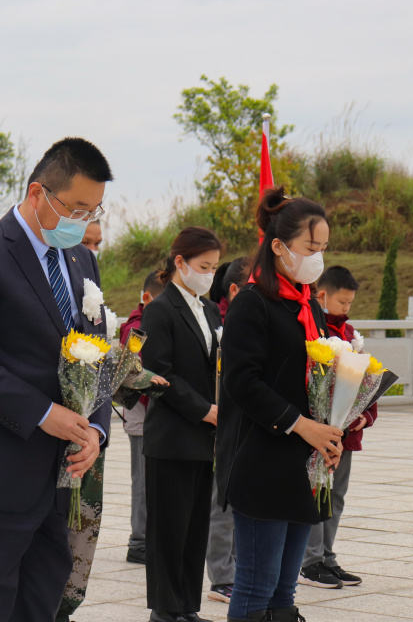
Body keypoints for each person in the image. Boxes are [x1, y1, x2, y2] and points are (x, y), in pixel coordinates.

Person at [0, 137, 114, 622]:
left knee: (41, 599)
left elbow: (96, 353)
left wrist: (95, 429)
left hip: (61, 475)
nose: (85, 221)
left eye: (95, 211)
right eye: (77, 208)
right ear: (38, 193)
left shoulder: (82, 259)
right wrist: (42, 413)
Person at [217, 187, 343, 622]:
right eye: (311, 247)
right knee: (255, 585)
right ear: (278, 246)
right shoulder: (252, 304)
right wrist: (301, 425)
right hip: (262, 460)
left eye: (324, 248)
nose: (318, 257)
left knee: (284, 592)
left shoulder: (309, 305)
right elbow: (241, 382)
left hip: (303, 464)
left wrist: (335, 425)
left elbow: (321, 376)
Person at [141, 227, 224, 622]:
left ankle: (187, 607)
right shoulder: (160, 309)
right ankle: (164, 609)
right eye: (203, 266)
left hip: (205, 435)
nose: (209, 274)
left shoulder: (209, 309)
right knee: (168, 528)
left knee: (194, 528)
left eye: (214, 267)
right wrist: (204, 409)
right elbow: (159, 373)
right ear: (180, 262)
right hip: (173, 434)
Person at [300, 265, 373, 590]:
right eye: (342, 303)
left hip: (347, 434)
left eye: (350, 304)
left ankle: (327, 556)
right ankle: (310, 561)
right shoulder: (313, 331)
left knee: (336, 496)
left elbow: (364, 381)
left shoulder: (350, 335)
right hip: (319, 433)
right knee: (317, 493)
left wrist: (364, 415)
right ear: (322, 295)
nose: (346, 309)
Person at [55, 221, 114, 621]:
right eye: (84, 240)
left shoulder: (90, 279)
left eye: (96, 242)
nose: (90, 249)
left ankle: (64, 608)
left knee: (76, 543)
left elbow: (104, 364)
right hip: (41, 435)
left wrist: (96, 428)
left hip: (84, 446)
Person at [205, 257, 248, 605]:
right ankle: (222, 576)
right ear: (234, 290)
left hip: (244, 427)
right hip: (217, 424)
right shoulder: (215, 322)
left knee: (238, 503)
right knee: (221, 505)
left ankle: (236, 571)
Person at [121, 273, 164, 566]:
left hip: (157, 414)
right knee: (143, 479)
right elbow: (133, 373)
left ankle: (152, 536)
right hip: (141, 415)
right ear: (146, 298)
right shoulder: (135, 329)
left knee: (156, 479)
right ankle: (138, 541)